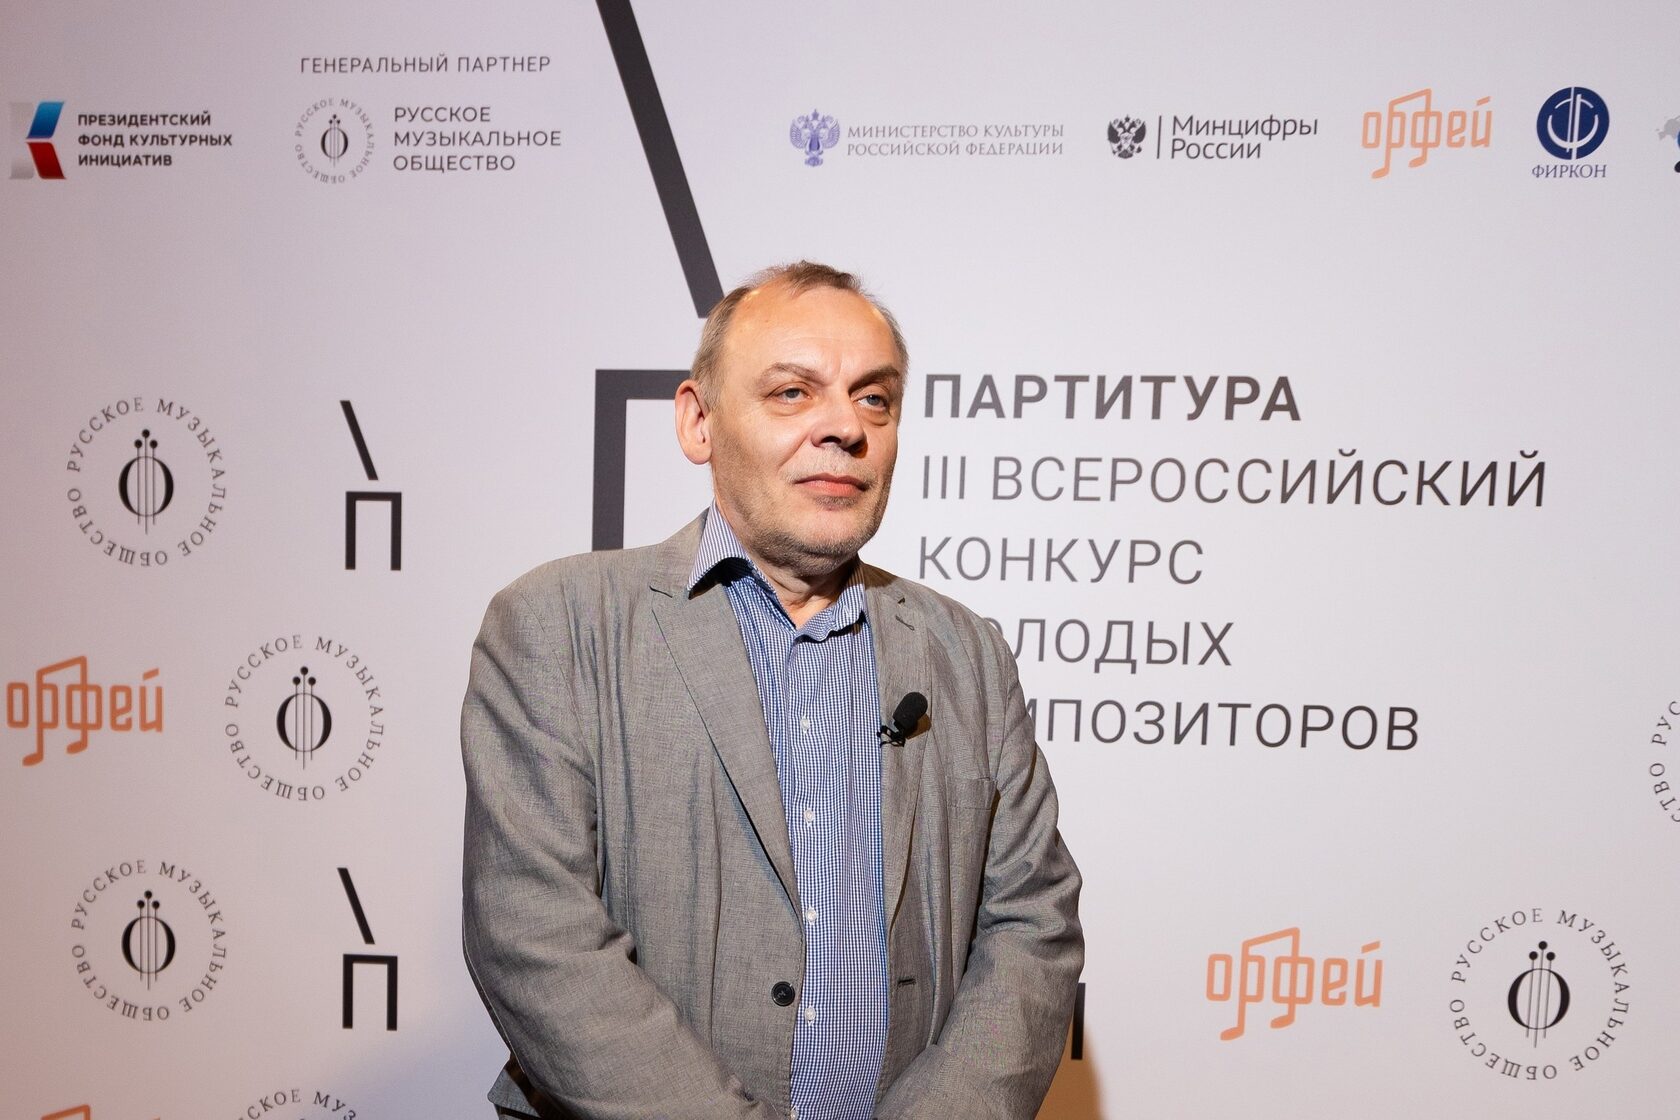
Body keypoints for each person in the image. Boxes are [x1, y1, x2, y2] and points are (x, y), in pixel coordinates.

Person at [461, 262, 1082, 1120]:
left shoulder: (966, 652)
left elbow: (1032, 925)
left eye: (874, 399)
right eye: (793, 392)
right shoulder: (559, 624)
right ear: (699, 421)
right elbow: (533, 934)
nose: (845, 428)